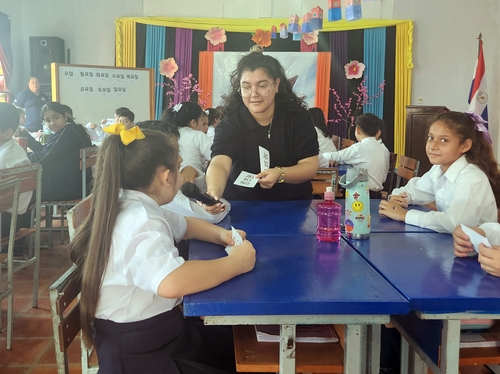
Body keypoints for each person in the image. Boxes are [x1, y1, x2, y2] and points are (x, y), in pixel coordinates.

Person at [69, 125, 255, 373]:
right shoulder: (139, 221)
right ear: (166, 177)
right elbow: (171, 282)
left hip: (160, 335)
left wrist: (221, 236)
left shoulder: (135, 204)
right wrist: (236, 263)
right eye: (178, 168)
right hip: (141, 355)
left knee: (238, 343)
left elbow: (184, 225)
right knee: (243, 353)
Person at [206, 46, 318, 209]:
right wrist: (213, 193)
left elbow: (310, 166)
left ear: (276, 85)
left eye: (262, 85)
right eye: (246, 86)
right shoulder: (231, 122)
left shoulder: (297, 117)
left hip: (294, 206)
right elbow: (220, 163)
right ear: (239, 88)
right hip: (242, 206)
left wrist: (280, 174)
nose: (253, 93)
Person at [379, 111, 500, 233]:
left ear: (465, 146)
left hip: (479, 249)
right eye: (431, 138)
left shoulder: (472, 177)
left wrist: (404, 215)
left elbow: (455, 223)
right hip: (450, 243)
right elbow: (415, 190)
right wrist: (398, 198)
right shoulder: (439, 168)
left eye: (443, 140)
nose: (433, 146)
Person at [137, 120, 231, 224]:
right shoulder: (164, 195)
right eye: (175, 153)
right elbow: (213, 215)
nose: (181, 159)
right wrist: (222, 201)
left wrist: (194, 172)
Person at [18, 102, 92, 201]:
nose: (52, 123)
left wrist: (22, 156)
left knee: (22, 191)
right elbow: (46, 151)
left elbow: (43, 157)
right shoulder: (66, 131)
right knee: (24, 189)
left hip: (68, 187)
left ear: (65, 117)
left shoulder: (66, 134)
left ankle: (26, 216)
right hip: (74, 184)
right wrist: (26, 136)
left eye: (56, 118)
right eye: (48, 120)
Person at [322, 113, 389, 195]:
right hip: (377, 194)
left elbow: (333, 156)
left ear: (358, 130)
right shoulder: (384, 149)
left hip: (359, 195)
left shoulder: (359, 148)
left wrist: (327, 157)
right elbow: (383, 178)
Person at [0, 103, 32, 253]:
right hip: (15, 217)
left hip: (5, 222)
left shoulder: (4, 158)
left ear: (7, 133)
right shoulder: (14, 150)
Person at [162, 101, 212, 190]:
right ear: (193, 122)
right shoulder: (198, 135)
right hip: (194, 185)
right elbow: (215, 155)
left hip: (171, 185)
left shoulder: (170, 134)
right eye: (202, 121)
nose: (206, 127)